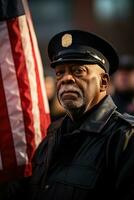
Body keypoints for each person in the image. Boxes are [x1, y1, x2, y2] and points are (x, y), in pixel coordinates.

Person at [8, 30, 134, 200]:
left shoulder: (125, 139)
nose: (66, 78)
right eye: (59, 72)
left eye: (78, 71)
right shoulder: (51, 137)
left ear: (104, 82)